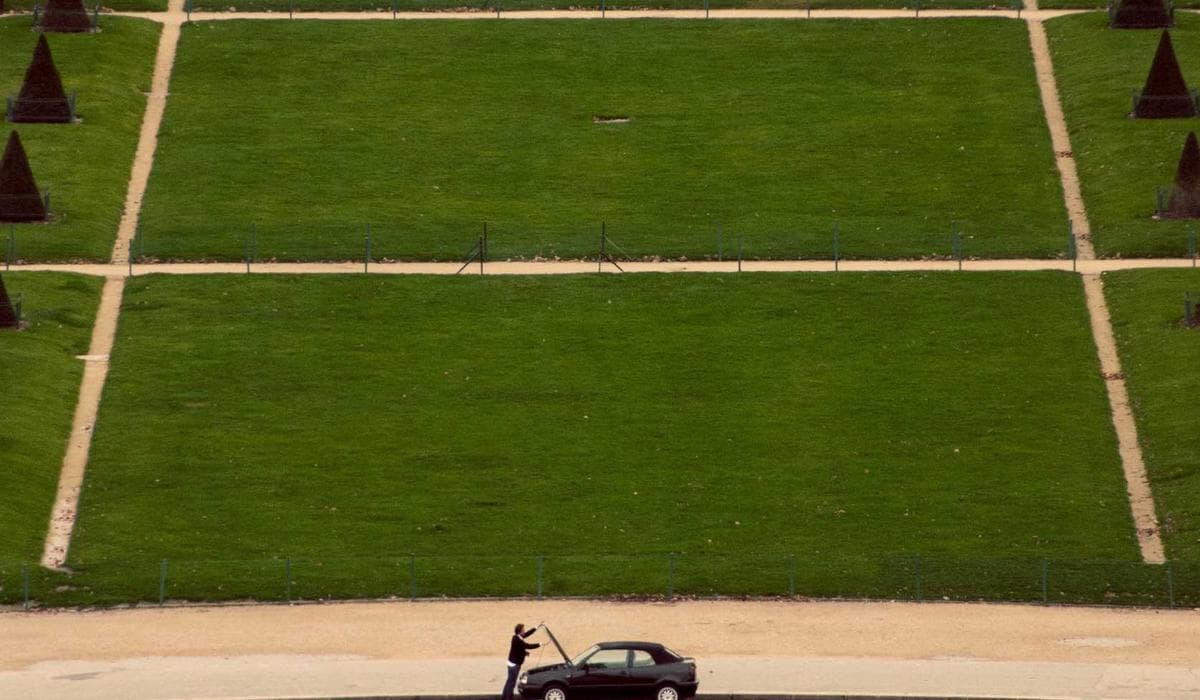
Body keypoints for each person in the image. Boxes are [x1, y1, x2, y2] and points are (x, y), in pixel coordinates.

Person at [502, 622, 541, 700]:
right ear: (520, 632)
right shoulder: (518, 640)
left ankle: (504, 697)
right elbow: (528, 646)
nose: (524, 631)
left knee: (509, 681)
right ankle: (508, 698)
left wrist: (535, 628)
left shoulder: (516, 637)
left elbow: (526, 635)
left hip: (512, 663)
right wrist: (539, 644)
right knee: (511, 683)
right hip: (514, 665)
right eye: (523, 630)